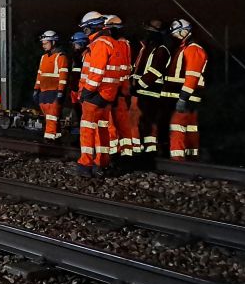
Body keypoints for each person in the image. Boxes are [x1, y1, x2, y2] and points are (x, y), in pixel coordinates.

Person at [67, 11, 122, 178]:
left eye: (85, 29)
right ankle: (102, 162)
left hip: (95, 94)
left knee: (87, 130)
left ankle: (86, 164)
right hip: (108, 94)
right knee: (102, 128)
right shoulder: (112, 43)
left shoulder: (99, 44)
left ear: (90, 28)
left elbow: (96, 73)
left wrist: (86, 92)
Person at [163, 19, 207, 161]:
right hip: (188, 96)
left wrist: (183, 98)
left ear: (185, 31)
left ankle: (178, 159)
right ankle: (192, 157)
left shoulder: (193, 49)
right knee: (190, 127)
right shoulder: (185, 48)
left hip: (186, 97)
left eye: (177, 33)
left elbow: (192, 77)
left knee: (178, 126)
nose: (175, 36)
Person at [131, 20, 171, 167]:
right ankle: (144, 151)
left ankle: (148, 153)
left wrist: (138, 84)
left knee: (148, 123)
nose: (147, 33)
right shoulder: (147, 48)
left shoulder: (161, 50)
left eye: (149, 30)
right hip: (141, 92)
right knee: (142, 123)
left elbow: (154, 72)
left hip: (151, 93)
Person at [104, 16, 134, 161]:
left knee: (111, 123)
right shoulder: (125, 44)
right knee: (122, 122)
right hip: (121, 90)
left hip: (112, 90)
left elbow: (119, 70)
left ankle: (114, 153)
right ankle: (125, 153)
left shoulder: (116, 44)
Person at [33, 30, 69, 141]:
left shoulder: (61, 57)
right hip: (43, 91)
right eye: (42, 43)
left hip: (54, 90)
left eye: (46, 43)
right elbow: (40, 74)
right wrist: (36, 89)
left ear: (53, 42)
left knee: (52, 115)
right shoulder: (43, 57)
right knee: (48, 115)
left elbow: (63, 76)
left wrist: (60, 91)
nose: (43, 45)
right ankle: (57, 135)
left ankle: (49, 137)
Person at [68, 31, 88, 137]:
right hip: (75, 88)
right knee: (76, 110)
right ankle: (78, 130)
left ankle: (82, 132)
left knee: (82, 112)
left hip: (82, 89)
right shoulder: (76, 57)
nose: (74, 46)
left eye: (75, 44)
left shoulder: (86, 56)